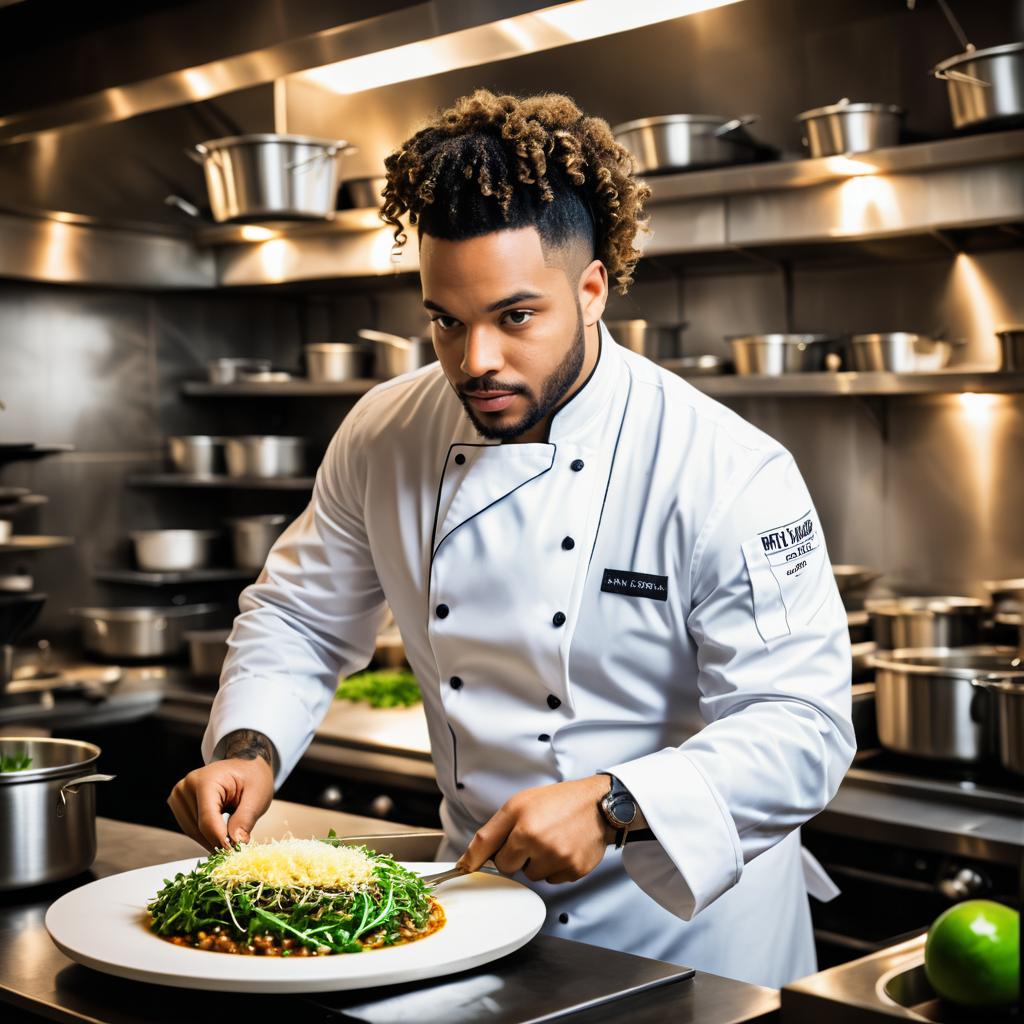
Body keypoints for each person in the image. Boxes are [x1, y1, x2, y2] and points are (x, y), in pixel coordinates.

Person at [168, 89, 855, 989]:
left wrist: (615, 805)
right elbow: (299, 615)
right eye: (447, 321)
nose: (475, 360)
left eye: (514, 317)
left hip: (692, 935)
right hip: (479, 912)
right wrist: (247, 749)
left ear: (593, 289)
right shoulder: (384, 432)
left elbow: (803, 724)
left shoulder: (724, 466)